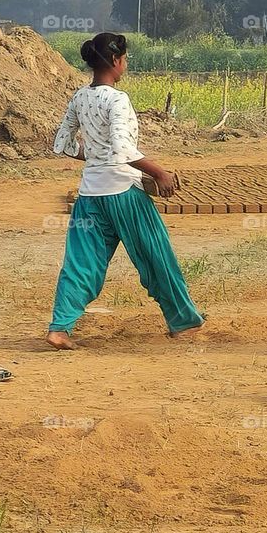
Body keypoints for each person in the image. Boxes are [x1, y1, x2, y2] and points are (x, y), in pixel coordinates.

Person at [47, 33, 204, 350]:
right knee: (156, 257)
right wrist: (160, 173)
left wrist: (94, 157)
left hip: (90, 196)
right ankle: (184, 323)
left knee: (81, 264)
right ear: (115, 61)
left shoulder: (79, 98)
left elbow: (61, 145)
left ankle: (60, 328)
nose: (126, 64)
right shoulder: (117, 100)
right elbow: (122, 149)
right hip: (124, 193)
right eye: (125, 59)